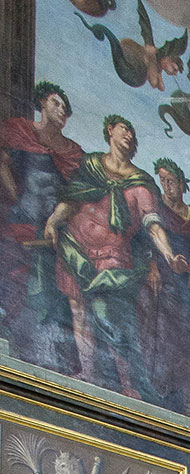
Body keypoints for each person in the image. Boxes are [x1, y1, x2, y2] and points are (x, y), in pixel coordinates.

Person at [44, 114, 189, 399]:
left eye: (133, 133)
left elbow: (152, 224)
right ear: (110, 130)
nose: (129, 136)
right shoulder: (92, 165)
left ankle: (128, 384)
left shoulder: (141, 182)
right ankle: (88, 372)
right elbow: (74, 198)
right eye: (125, 129)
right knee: (79, 310)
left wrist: (170, 256)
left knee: (114, 319)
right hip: (77, 247)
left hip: (114, 259)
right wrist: (52, 221)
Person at [0, 81, 83, 370]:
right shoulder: (19, 131)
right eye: (56, 103)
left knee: (51, 294)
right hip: (20, 223)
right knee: (15, 283)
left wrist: (55, 221)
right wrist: (13, 193)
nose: (62, 111)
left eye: (65, 108)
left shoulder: (73, 153)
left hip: (52, 236)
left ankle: (48, 360)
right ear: (42, 102)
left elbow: (76, 197)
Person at [149, 157, 190, 416]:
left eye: (171, 181)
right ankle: (166, 394)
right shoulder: (157, 208)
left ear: (181, 183)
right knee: (167, 338)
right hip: (165, 281)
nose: (166, 185)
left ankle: (189, 398)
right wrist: (152, 266)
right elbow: (148, 238)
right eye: (162, 180)